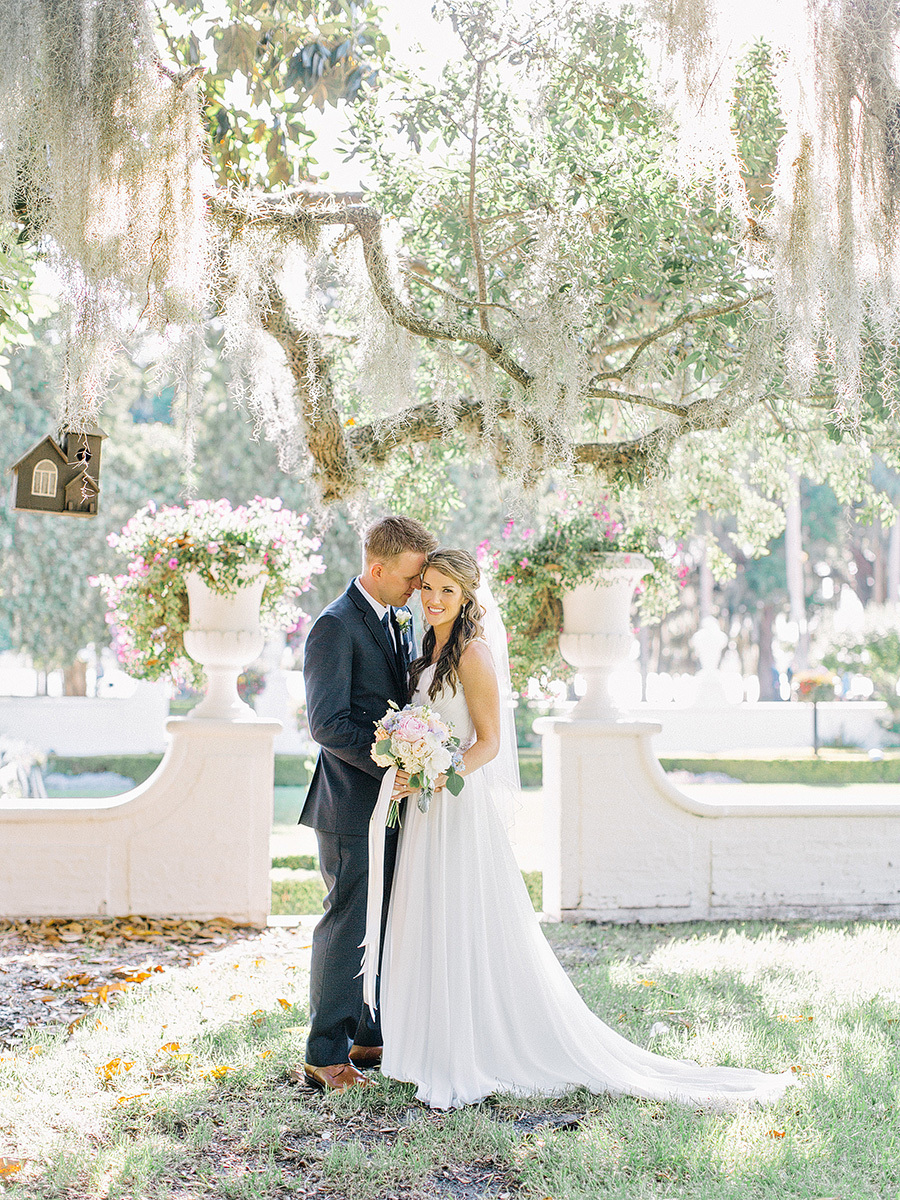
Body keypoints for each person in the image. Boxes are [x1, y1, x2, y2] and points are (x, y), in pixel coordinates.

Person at [369, 548, 796, 1111]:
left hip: (456, 809)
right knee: (425, 916)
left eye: (447, 590)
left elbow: (490, 742)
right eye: (427, 587)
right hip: (426, 812)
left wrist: (434, 772)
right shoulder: (428, 653)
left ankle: (468, 1049)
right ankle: (422, 1049)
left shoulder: (473, 654)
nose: (433, 599)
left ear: (468, 596)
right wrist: (411, 763)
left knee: (460, 917)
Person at [294, 515, 437, 1092]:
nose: (417, 589)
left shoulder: (394, 617)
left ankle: (368, 1035)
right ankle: (324, 1054)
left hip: (389, 803)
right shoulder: (335, 626)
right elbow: (327, 724)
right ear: (376, 569)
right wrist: (393, 763)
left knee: (380, 918)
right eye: (410, 578)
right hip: (350, 803)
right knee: (349, 920)